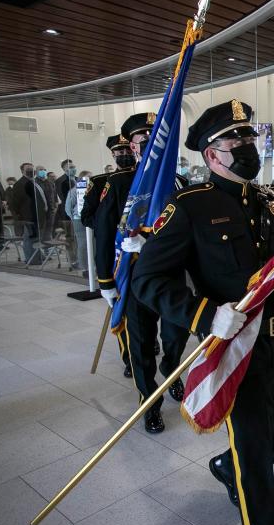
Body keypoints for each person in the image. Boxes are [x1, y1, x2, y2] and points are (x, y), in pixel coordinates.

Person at [131, 99, 274, 525]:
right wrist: (204, 313)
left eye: (249, 137)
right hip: (236, 348)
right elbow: (147, 280)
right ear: (212, 155)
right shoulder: (191, 207)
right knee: (254, 450)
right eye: (234, 140)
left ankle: (225, 466)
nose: (247, 146)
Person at [95, 113, 189, 433]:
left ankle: (172, 371)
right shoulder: (119, 183)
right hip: (135, 278)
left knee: (176, 335)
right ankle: (149, 400)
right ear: (132, 147)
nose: (149, 143)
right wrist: (106, 280)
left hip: (172, 275)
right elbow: (105, 233)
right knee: (142, 343)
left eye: (155, 136)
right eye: (142, 139)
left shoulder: (178, 183)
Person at [84, 135, 134, 378]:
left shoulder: (145, 179)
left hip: (143, 251)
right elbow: (88, 216)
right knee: (123, 310)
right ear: (112, 154)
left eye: (128, 149)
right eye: (120, 150)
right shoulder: (101, 182)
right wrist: (112, 228)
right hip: (117, 253)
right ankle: (129, 358)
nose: (125, 153)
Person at [11, 163, 46, 265]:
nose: (31, 171)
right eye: (28, 169)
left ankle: (37, 256)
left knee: (35, 237)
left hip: (37, 215)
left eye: (32, 169)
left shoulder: (33, 182)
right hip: (28, 216)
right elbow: (15, 203)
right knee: (29, 238)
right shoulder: (20, 184)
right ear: (22, 171)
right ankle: (31, 259)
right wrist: (20, 217)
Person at [64, 170, 90, 273]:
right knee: (83, 244)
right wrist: (74, 217)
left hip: (90, 219)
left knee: (93, 243)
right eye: (88, 177)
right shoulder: (74, 191)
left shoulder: (93, 189)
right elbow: (68, 208)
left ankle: (93, 265)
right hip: (79, 220)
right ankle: (84, 267)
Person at [56, 159, 78, 266]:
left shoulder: (78, 179)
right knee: (70, 239)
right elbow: (64, 199)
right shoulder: (60, 181)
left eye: (74, 167)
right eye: (70, 168)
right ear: (64, 169)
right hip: (67, 215)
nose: (73, 169)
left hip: (79, 215)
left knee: (78, 238)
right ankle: (73, 260)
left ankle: (80, 258)